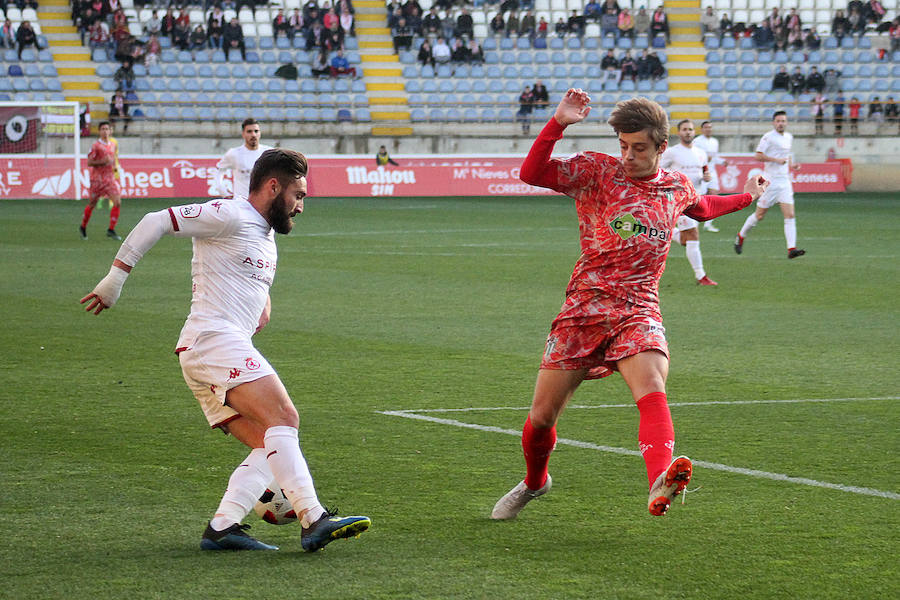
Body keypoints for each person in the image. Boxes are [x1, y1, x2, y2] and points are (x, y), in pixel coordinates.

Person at [491, 90, 768, 521]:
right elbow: (532, 173)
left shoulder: (675, 186)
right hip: (584, 309)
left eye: (638, 148)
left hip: (638, 309)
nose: (628, 155)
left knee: (653, 386)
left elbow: (704, 208)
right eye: (623, 145)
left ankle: (660, 479)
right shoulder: (596, 171)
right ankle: (534, 482)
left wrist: (747, 196)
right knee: (542, 418)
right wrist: (558, 122)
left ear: (662, 147)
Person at [80, 148, 371, 553]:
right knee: (284, 417)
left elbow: (244, 285)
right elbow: (156, 220)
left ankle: (223, 528)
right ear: (273, 187)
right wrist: (115, 280)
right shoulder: (231, 214)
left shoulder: (265, 237)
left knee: (269, 442)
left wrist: (262, 304)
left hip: (209, 348)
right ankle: (314, 519)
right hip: (212, 341)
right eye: (297, 195)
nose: (301, 206)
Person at [735, 111, 805, 259]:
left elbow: (787, 155)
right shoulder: (768, 137)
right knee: (759, 216)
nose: (781, 123)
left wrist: (792, 165)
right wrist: (775, 160)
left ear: (786, 123)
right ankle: (741, 235)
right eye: (778, 121)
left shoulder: (789, 137)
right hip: (770, 182)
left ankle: (791, 249)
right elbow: (758, 155)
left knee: (790, 214)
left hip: (784, 182)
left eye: (783, 121)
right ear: (774, 123)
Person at [660, 119, 717, 285]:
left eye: (690, 129)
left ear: (694, 132)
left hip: (696, 198)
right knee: (693, 235)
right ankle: (701, 276)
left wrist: (706, 178)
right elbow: (658, 171)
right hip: (678, 199)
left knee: (687, 239)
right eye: (684, 129)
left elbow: (705, 172)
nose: (688, 132)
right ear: (679, 133)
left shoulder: (701, 153)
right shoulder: (672, 152)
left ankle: (664, 233)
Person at [80, 121, 123, 241]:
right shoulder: (95, 146)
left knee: (117, 202)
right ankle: (83, 226)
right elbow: (89, 162)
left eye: (107, 129)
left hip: (109, 179)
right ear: (99, 131)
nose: (105, 131)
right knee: (92, 204)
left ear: (110, 131)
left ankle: (111, 229)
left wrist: (114, 166)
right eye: (103, 129)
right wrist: (102, 162)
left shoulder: (113, 145)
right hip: (97, 180)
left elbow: (112, 158)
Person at [216, 118, 272, 200]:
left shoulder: (269, 153)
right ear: (243, 134)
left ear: (260, 133)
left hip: (263, 204)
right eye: (249, 131)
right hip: (240, 204)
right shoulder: (234, 153)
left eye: (256, 131)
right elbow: (219, 171)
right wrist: (223, 191)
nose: (253, 134)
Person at [692, 120, 727, 232]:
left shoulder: (714, 142)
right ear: (702, 129)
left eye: (710, 127)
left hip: (712, 172)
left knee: (714, 195)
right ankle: (694, 222)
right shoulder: (697, 141)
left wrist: (722, 162)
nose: (708, 129)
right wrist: (706, 159)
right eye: (706, 127)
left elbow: (714, 157)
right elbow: (693, 155)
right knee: (699, 198)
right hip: (701, 172)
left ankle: (708, 223)